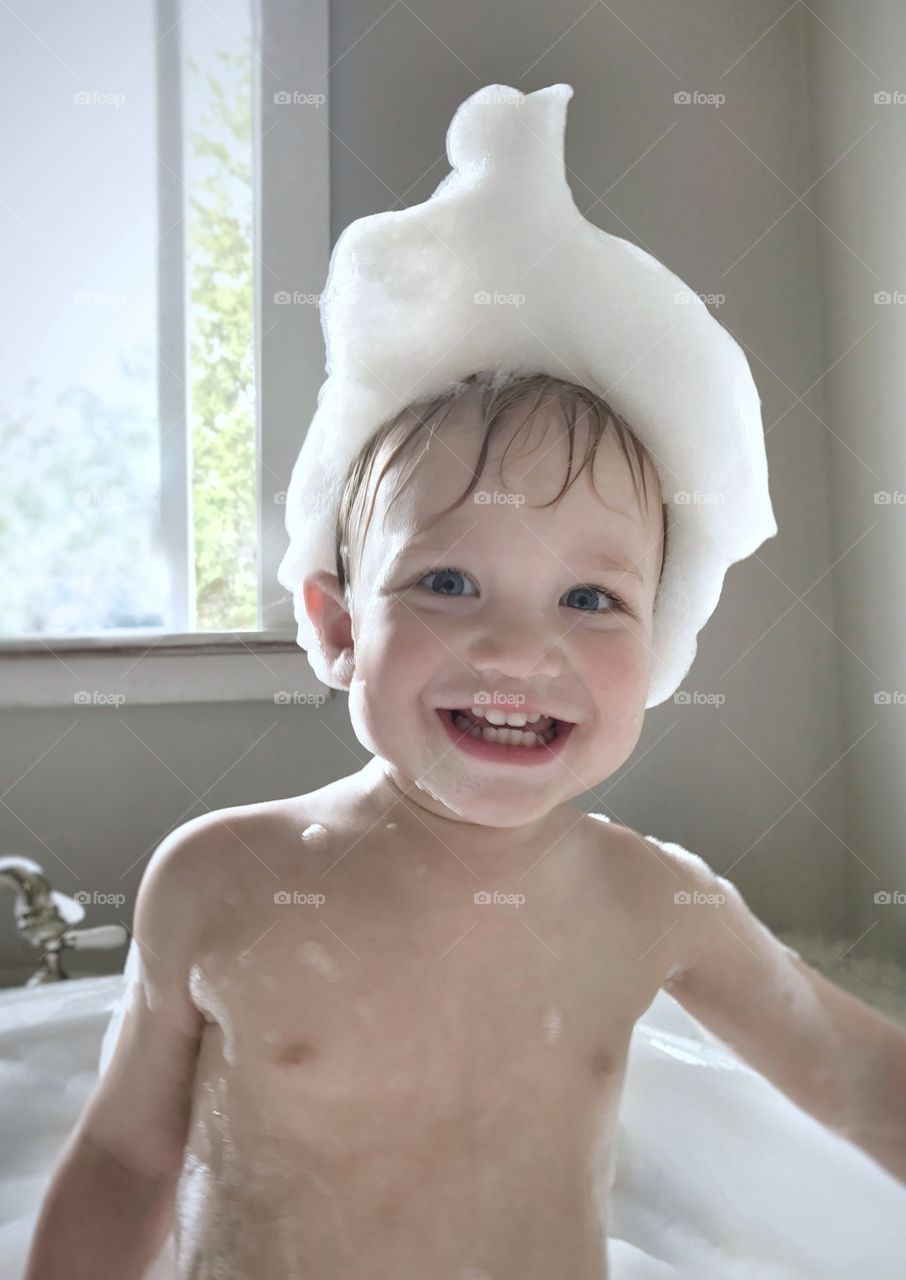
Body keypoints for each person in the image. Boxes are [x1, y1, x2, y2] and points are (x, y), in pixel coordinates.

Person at [23, 83, 906, 1280]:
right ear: (335, 622)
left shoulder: (654, 901)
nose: (516, 649)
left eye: (590, 600)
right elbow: (129, 1159)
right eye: (446, 582)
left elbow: (861, 1080)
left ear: (663, 644)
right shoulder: (221, 876)